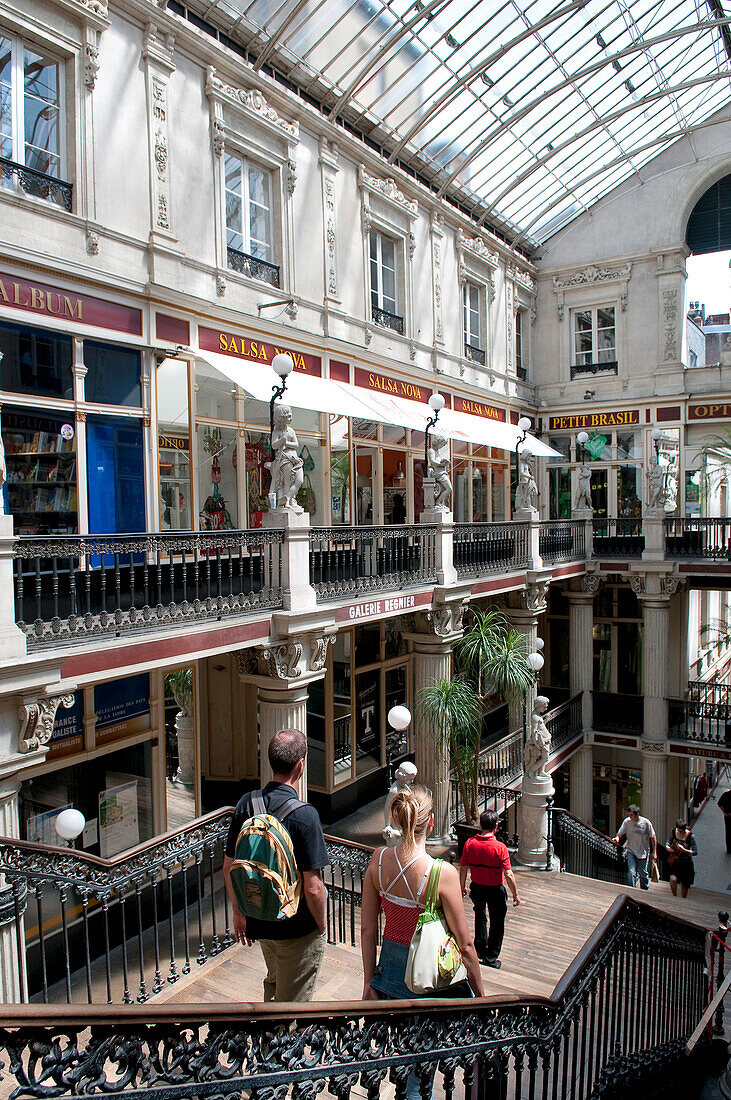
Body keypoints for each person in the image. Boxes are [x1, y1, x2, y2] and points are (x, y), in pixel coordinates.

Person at [361, 785, 483, 1100]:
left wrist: (368, 981)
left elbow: (367, 931)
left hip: (389, 978)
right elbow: (465, 943)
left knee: (400, 1054)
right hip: (428, 984)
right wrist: (481, 995)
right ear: (430, 824)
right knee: (420, 1071)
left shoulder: (379, 859)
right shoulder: (441, 873)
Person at [223, 728, 329, 1001]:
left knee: (275, 976)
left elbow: (229, 866)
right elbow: (314, 888)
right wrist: (321, 925)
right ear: (301, 764)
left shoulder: (247, 804)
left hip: (259, 918)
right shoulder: (306, 816)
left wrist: (239, 913)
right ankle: (276, 1039)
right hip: (296, 927)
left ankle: (269, 1026)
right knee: (292, 1004)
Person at [459, 810, 520, 968]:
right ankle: (491, 958)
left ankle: (479, 950)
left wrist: (462, 886)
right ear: (496, 826)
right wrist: (515, 894)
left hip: (477, 887)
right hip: (495, 889)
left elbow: (463, 867)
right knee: (497, 922)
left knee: (480, 917)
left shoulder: (470, 843)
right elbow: (508, 874)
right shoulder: (500, 848)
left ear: (481, 825)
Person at [612, 804, 657, 891]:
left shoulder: (646, 823)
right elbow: (620, 832)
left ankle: (644, 889)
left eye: (631, 815)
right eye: (629, 815)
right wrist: (617, 837)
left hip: (643, 851)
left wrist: (654, 852)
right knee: (631, 872)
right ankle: (632, 890)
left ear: (637, 814)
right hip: (631, 850)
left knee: (643, 873)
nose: (630, 817)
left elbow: (653, 836)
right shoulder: (627, 822)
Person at [666, 819, 697, 898]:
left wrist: (684, 850)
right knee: (673, 879)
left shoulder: (690, 836)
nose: (679, 832)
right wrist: (668, 847)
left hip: (686, 862)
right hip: (675, 859)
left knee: (684, 883)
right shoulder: (673, 832)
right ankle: (674, 896)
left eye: (681, 831)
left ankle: (683, 899)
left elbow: (695, 852)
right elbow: (668, 841)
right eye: (678, 831)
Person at [717, 786, 731, 853]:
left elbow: (720, 804)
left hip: (727, 816)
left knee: (728, 831)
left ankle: (729, 848)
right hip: (728, 816)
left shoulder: (725, 794)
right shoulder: (726, 795)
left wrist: (724, 812)